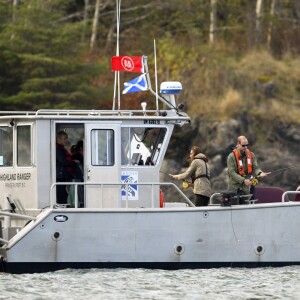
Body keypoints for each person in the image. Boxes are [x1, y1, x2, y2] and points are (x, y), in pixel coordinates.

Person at [56, 131, 79, 205]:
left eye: (67, 138)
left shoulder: (61, 149)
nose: (66, 140)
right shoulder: (58, 150)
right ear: (59, 139)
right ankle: (63, 208)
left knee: (64, 193)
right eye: (65, 139)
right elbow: (63, 162)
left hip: (62, 175)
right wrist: (74, 163)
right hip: (60, 176)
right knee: (62, 194)